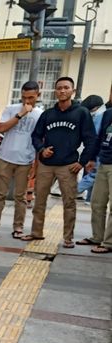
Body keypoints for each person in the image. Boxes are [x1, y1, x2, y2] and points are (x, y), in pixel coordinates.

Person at [24, 76, 96, 248]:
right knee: (39, 201)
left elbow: (90, 139)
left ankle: (68, 238)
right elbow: (35, 136)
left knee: (69, 203)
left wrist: (82, 161)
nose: (62, 91)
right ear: (55, 91)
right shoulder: (48, 114)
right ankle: (36, 232)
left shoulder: (81, 113)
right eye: (59, 88)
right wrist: (42, 149)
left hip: (68, 166)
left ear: (73, 91)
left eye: (66, 88)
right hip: (46, 165)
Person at [0, 81, 43, 239]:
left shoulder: (40, 114)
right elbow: (1, 128)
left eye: (31, 97)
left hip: (25, 160)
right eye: (24, 97)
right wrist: (21, 114)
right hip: (5, 157)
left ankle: (18, 227)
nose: (27, 101)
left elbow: (40, 141)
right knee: (0, 194)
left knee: (21, 197)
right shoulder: (11, 109)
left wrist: (35, 165)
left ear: (38, 95)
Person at [76, 104, 112, 254]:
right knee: (97, 202)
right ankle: (97, 236)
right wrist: (91, 158)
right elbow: (100, 137)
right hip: (103, 161)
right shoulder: (108, 114)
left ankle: (109, 242)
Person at [77, 94, 105, 202]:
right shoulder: (100, 115)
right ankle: (74, 191)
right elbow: (96, 137)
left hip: (96, 149)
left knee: (94, 175)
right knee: (94, 174)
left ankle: (88, 198)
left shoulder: (98, 115)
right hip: (97, 150)